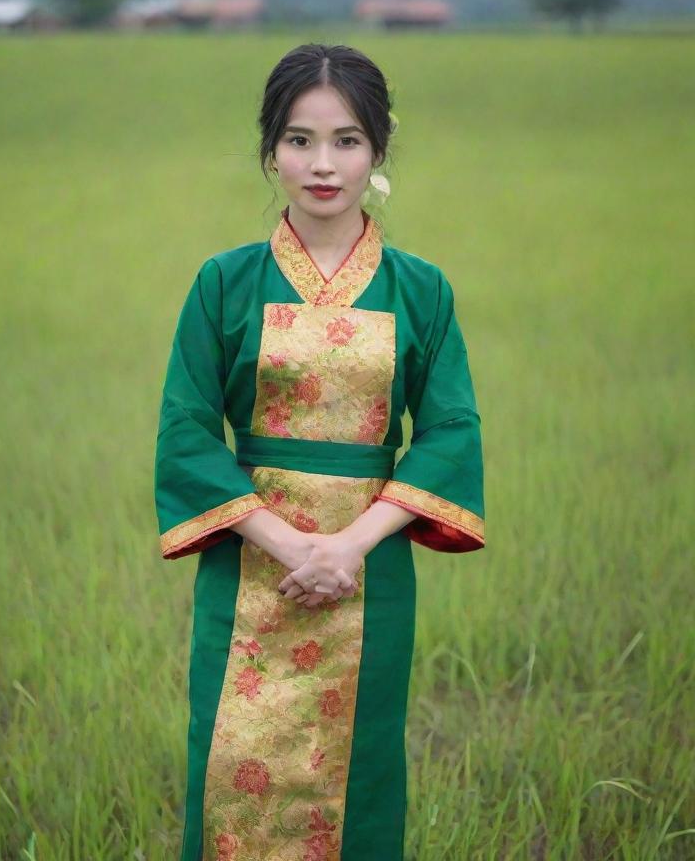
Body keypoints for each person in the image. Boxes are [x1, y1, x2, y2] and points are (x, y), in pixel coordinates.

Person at [154, 43, 485, 861]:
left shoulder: (422, 288)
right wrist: (291, 544)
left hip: (368, 576)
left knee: (360, 778)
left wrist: (349, 545)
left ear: (377, 150)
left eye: (346, 140)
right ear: (271, 150)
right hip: (248, 569)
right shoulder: (223, 283)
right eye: (299, 140)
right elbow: (188, 432)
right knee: (233, 764)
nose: (322, 163)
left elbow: (449, 433)